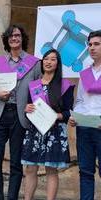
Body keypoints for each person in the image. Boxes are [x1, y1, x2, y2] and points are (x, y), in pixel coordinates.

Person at [0, 24, 41, 200]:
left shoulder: (34, 63)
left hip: (20, 116)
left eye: (17, 35)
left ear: (22, 38)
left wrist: (32, 105)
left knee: (16, 163)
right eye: (10, 36)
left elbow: (38, 91)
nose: (14, 38)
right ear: (7, 40)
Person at [21, 49, 74, 200]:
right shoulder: (34, 85)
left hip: (55, 131)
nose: (48, 62)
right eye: (46, 59)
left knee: (51, 170)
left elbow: (69, 111)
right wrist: (27, 108)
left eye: (53, 59)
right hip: (35, 130)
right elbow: (30, 107)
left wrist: (56, 115)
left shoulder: (65, 85)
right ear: (42, 62)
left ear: (58, 64)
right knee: (31, 168)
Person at [69, 30, 101, 200]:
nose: (92, 48)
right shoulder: (85, 74)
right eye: (89, 44)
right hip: (84, 128)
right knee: (86, 171)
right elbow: (80, 100)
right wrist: (76, 116)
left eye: (96, 44)